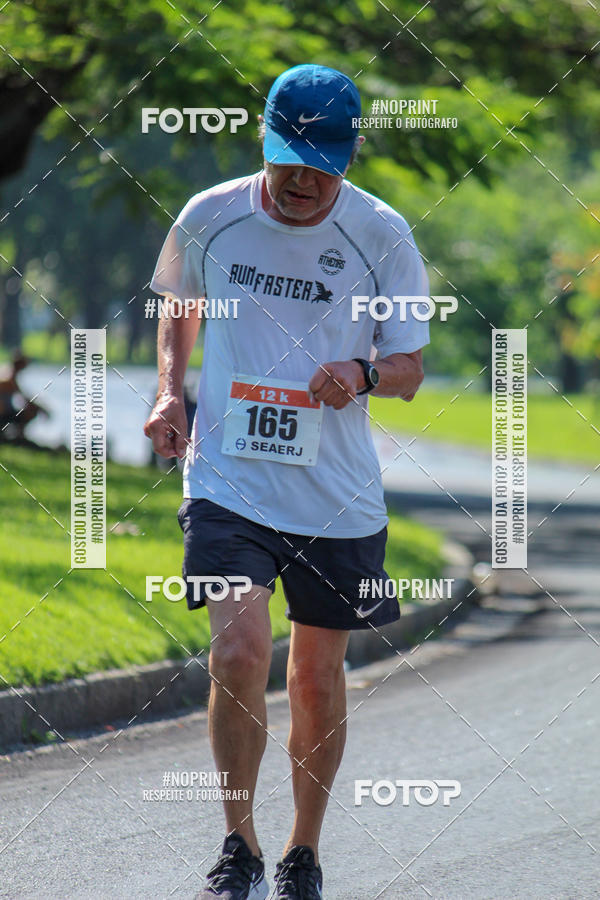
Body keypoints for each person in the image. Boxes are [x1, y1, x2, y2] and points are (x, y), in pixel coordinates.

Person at [144, 63, 429, 900]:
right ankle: (240, 846)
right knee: (237, 650)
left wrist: (364, 374)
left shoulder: (384, 237)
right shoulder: (212, 215)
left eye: (323, 163)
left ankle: (303, 852)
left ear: (351, 155)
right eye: (287, 159)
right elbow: (178, 304)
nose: (303, 180)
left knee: (313, 675)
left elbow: (410, 366)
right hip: (229, 479)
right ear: (262, 143)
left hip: (334, 494)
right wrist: (170, 388)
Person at [0, 351, 48, 441]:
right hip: (2, 414)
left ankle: (15, 435)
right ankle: (19, 436)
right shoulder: (9, 376)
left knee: (28, 409)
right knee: (32, 411)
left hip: (4, 411)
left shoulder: (6, 371)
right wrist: (42, 410)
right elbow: (25, 399)